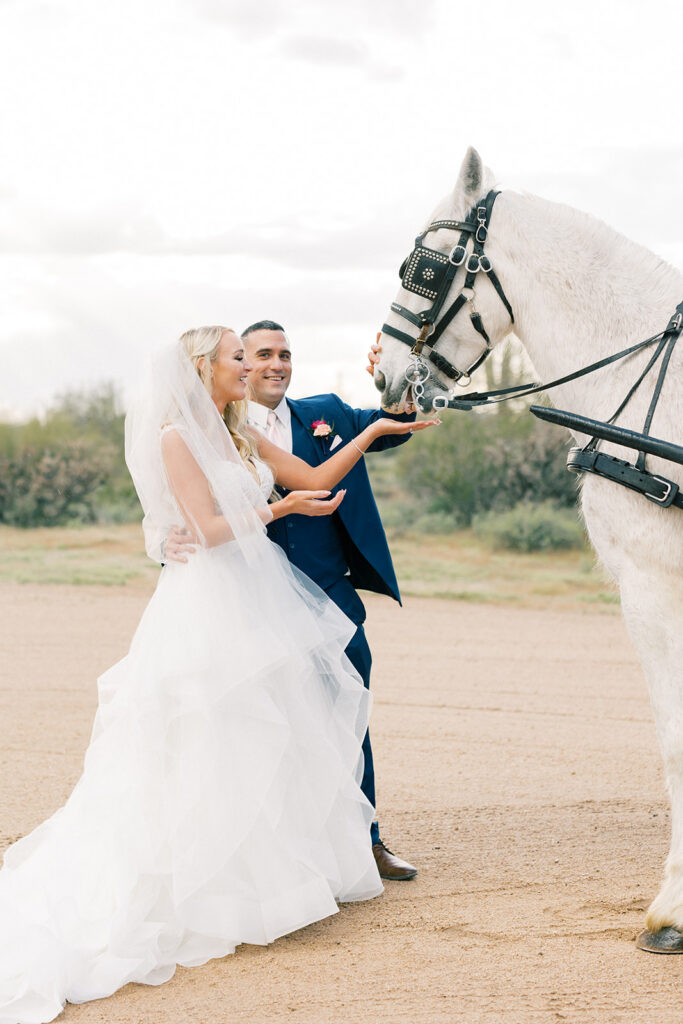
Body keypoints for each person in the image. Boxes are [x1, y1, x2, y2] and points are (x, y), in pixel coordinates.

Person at [0, 327, 437, 1024]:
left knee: (274, 727)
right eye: (238, 355)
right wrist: (278, 510)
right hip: (208, 600)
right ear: (206, 367)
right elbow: (201, 529)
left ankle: (271, 874)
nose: (249, 366)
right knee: (213, 728)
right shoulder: (177, 436)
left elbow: (319, 479)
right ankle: (208, 882)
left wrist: (374, 429)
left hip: (256, 595)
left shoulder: (239, 433)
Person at [168, 320, 419, 882]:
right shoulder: (201, 430)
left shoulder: (319, 412)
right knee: (261, 722)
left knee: (347, 710)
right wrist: (163, 536)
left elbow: (393, 428)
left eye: (285, 353)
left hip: (327, 593)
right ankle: (277, 854)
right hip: (247, 600)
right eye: (258, 354)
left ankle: (365, 839)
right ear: (235, 365)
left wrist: (393, 379)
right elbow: (175, 506)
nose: (276, 363)